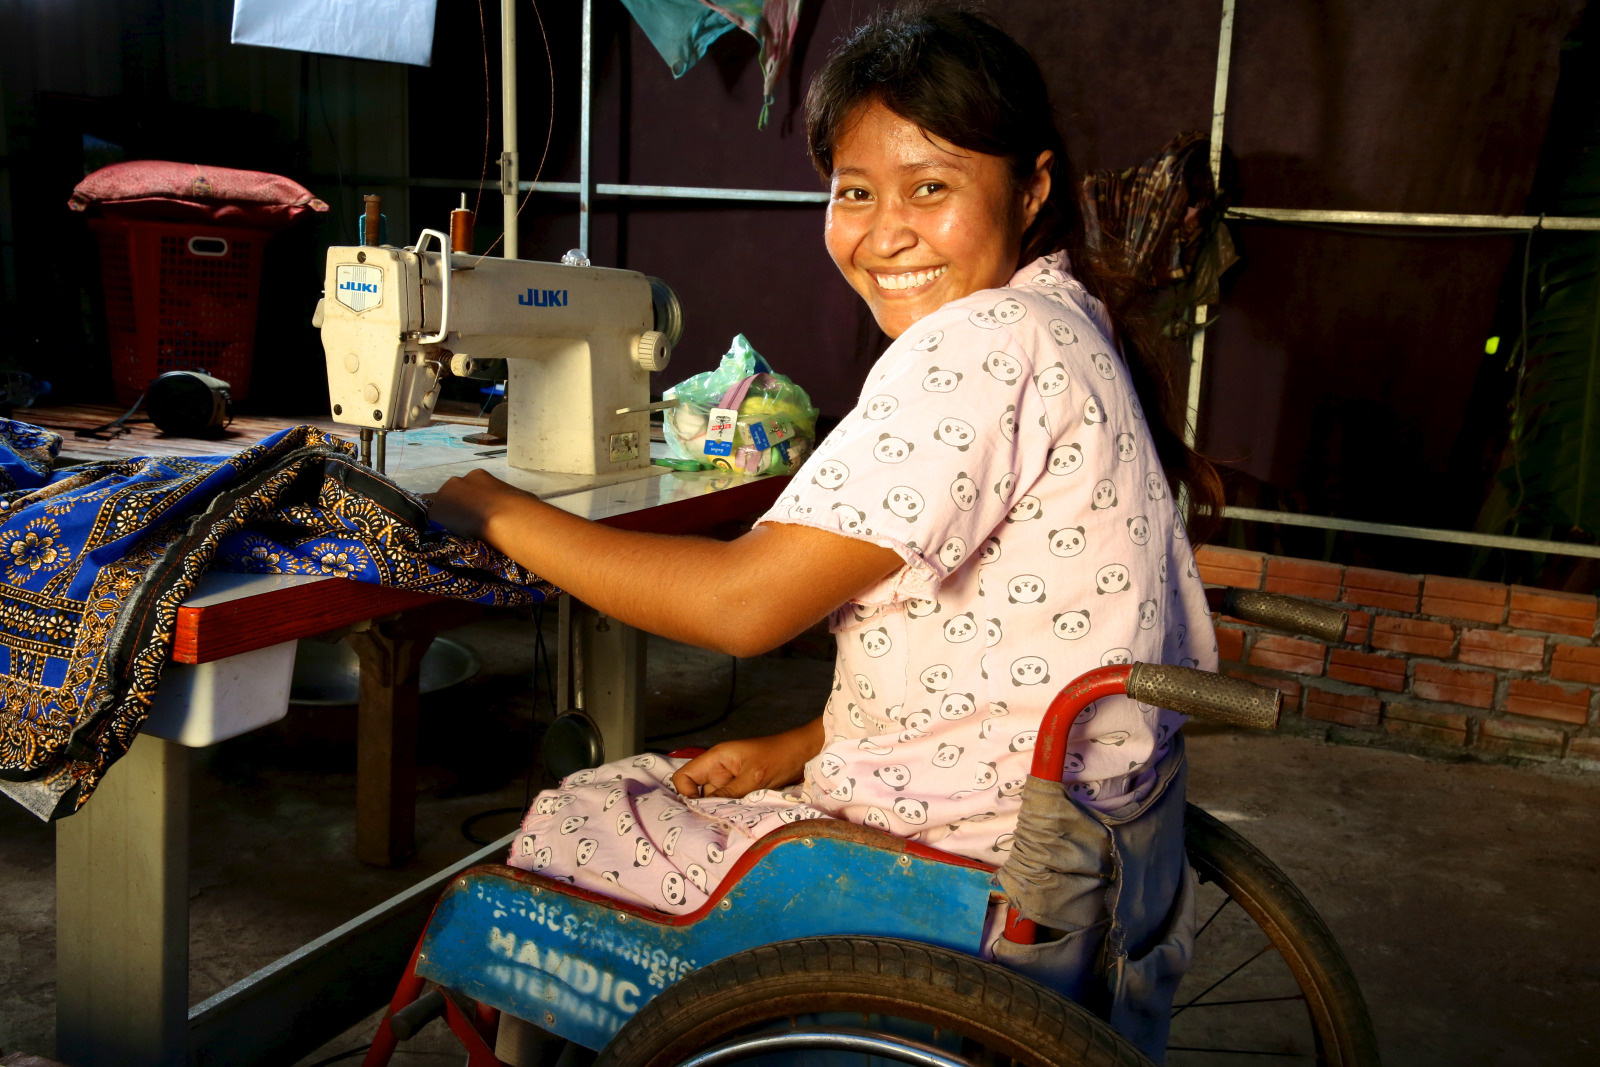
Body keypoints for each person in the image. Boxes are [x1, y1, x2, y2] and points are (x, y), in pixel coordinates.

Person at [429, 1, 1220, 1049]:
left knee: (580, 816)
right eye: (854, 191)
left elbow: (741, 605)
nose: (883, 232)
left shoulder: (977, 347)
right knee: (681, 782)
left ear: (1028, 189)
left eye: (929, 189)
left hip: (961, 860)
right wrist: (802, 743)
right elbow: (1011, 652)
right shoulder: (1064, 314)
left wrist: (492, 507)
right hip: (1083, 831)